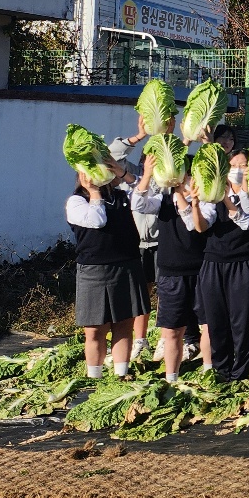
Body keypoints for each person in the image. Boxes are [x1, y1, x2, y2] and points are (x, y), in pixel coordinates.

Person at [66, 158, 149, 379]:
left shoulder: (121, 196)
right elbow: (97, 221)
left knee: (123, 324)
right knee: (95, 329)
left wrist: (123, 174)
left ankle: (122, 374)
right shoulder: (76, 202)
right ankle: (95, 377)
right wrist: (93, 193)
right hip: (94, 271)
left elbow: (144, 192)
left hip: (127, 266)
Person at [130, 165, 210, 382]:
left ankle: (209, 372)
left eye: (191, 176)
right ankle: (171, 377)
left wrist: (183, 197)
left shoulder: (207, 201)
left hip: (202, 271)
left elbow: (192, 224)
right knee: (173, 330)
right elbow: (137, 203)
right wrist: (147, 175)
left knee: (207, 325)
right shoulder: (163, 200)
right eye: (185, 176)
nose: (187, 180)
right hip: (170, 273)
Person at [196, 150, 249, 382]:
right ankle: (220, 369)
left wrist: (229, 196)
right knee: (215, 320)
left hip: (243, 263)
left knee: (242, 320)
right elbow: (202, 225)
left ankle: (241, 371)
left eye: (243, 165)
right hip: (213, 263)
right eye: (233, 165)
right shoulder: (213, 193)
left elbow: (248, 223)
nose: (238, 169)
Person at [108, 124, 154, 361]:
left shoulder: (167, 180)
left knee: (168, 294)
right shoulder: (131, 173)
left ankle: (168, 339)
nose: (151, 163)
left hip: (163, 245)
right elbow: (112, 155)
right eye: (148, 157)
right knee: (140, 295)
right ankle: (140, 340)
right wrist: (140, 135)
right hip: (137, 245)